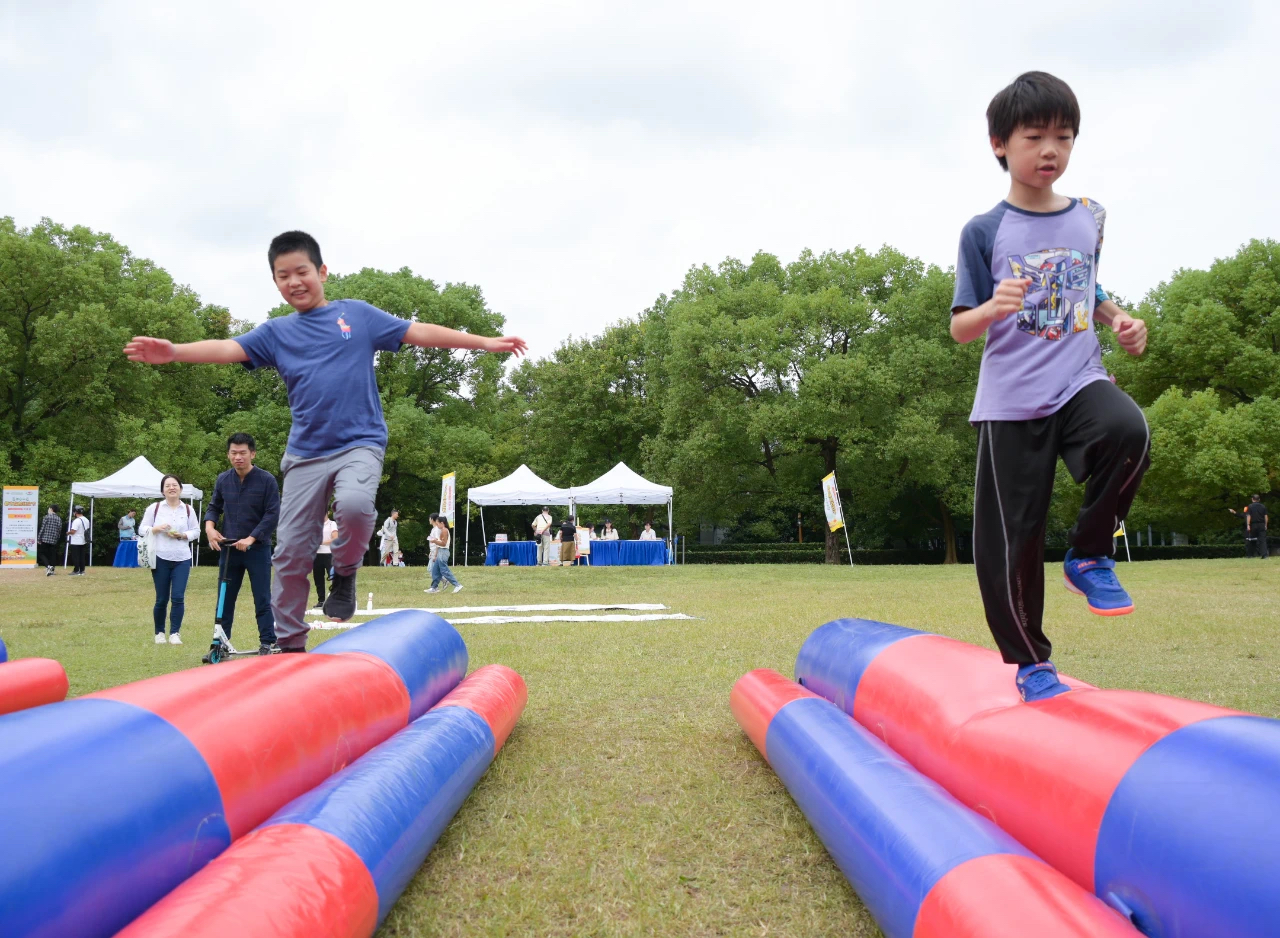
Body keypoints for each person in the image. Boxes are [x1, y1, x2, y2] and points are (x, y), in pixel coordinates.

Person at [125, 230, 527, 652]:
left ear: (322, 272)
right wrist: (175, 351)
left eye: (301, 271)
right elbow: (228, 348)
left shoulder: (356, 315)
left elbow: (418, 332)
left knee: (353, 506)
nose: (294, 281)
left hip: (360, 443)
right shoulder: (277, 332)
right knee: (290, 552)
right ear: (276, 282)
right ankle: (290, 646)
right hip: (305, 454)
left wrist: (483, 342)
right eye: (283, 276)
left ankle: (345, 572)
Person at [950, 72, 1150, 703]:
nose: (1050, 151)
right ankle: (1032, 663)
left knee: (1128, 431)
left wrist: (1118, 319)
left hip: (1078, 379)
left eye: (1063, 137)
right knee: (1014, 541)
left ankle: (1089, 555)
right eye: (1034, 137)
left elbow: (1087, 287)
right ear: (999, 144)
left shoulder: (1088, 217)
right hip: (1011, 402)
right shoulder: (984, 230)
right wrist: (993, 308)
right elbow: (960, 327)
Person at [204, 433, 281, 654]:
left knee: (262, 597)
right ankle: (220, 642)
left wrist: (251, 538)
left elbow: (272, 513)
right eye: (234, 453)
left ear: (252, 454)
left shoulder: (267, 480)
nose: (238, 457)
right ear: (228, 455)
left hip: (257, 549)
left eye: (242, 453)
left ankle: (268, 641)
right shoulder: (223, 479)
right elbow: (214, 507)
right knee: (225, 598)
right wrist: (209, 528)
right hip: (229, 549)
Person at [138, 474, 200, 644]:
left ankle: (175, 633)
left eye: (175, 485)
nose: (171, 488)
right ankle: (159, 633)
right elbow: (142, 529)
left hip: (182, 557)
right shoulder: (155, 508)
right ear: (162, 491)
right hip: (160, 557)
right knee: (162, 599)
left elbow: (196, 531)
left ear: (180, 489)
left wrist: (183, 535)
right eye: (167, 486)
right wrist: (156, 529)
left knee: (178, 597)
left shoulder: (188, 509)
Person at [426, 513, 463, 594]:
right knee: (435, 571)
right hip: (440, 551)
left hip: (443, 551)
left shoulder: (444, 530)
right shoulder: (442, 530)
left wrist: (435, 541)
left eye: (438, 523)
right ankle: (434, 587)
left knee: (444, 570)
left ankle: (457, 585)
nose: (437, 525)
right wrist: (436, 542)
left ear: (442, 523)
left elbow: (443, 543)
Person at [313, 511, 338, 605]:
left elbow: (335, 538)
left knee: (333, 577)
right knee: (318, 578)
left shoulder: (332, 524)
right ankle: (321, 600)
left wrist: (321, 543)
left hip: (329, 553)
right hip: (317, 554)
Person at [38, 506, 62, 576]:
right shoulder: (59, 519)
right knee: (52, 555)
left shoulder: (47, 517)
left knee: (41, 553)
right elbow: (59, 530)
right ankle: (52, 570)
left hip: (45, 539)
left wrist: (39, 538)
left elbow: (43, 528)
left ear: (51, 509)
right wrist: (57, 538)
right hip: (53, 540)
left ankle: (48, 566)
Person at [67, 506, 90, 575]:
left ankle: (76, 570)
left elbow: (73, 531)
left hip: (76, 541)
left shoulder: (76, 521)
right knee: (82, 556)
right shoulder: (86, 520)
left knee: (75, 557)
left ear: (75, 512)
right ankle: (82, 570)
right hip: (83, 540)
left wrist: (68, 533)